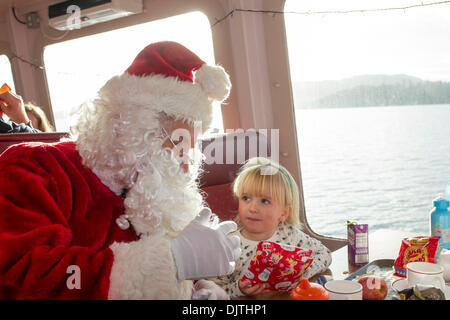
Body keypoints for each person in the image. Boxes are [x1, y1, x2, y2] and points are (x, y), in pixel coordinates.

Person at [0, 41, 241, 299]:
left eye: (189, 153)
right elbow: (21, 277)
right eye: (177, 146)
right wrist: (173, 261)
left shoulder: (153, 188)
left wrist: (195, 290)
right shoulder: (36, 166)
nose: (184, 166)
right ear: (135, 130)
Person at [208, 157, 332, 298]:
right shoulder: (228, 244)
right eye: (246, 198)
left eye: (265, 201)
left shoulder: (289, 235)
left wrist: (300, 274)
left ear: (284, 213)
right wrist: (239, 289)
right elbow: (214, 291)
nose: (253, 208)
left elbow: (324, 253)